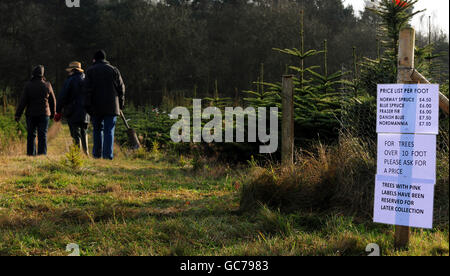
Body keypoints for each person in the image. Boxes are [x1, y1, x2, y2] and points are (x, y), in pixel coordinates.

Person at [84, 50, 125, 160]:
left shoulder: (90, 71)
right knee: (109, 131)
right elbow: (121, 88)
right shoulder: (114, 70)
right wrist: (120, 105)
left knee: (97, 130)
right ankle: (108, 156)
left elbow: (86, 90)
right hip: (112, 106)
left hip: (95, 106)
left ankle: (97, 155)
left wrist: (87, 106)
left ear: (95, 59)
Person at [15, 65, 56, 156]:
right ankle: (42, 155)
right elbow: (53, 100)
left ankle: (30, 154)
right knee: (42, 135)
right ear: (42, 74)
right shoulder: (47, 85)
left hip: (31, 114)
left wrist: (18, 114)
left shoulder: (28, 85)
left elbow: (23, 102)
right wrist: (53, 113)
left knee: (31, 135)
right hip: (44, 114)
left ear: (33, 74)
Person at [54, 61, 90, 155]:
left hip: (73, 111)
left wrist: (58, 111)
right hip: (86, 112)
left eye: (69, 71)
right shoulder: (87, 79)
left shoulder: (70, 81)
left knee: (75, 134)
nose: (68, 72)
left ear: (73, 70)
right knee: (84, 132)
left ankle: (77, 155)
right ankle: (86, 153)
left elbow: (62, 97)